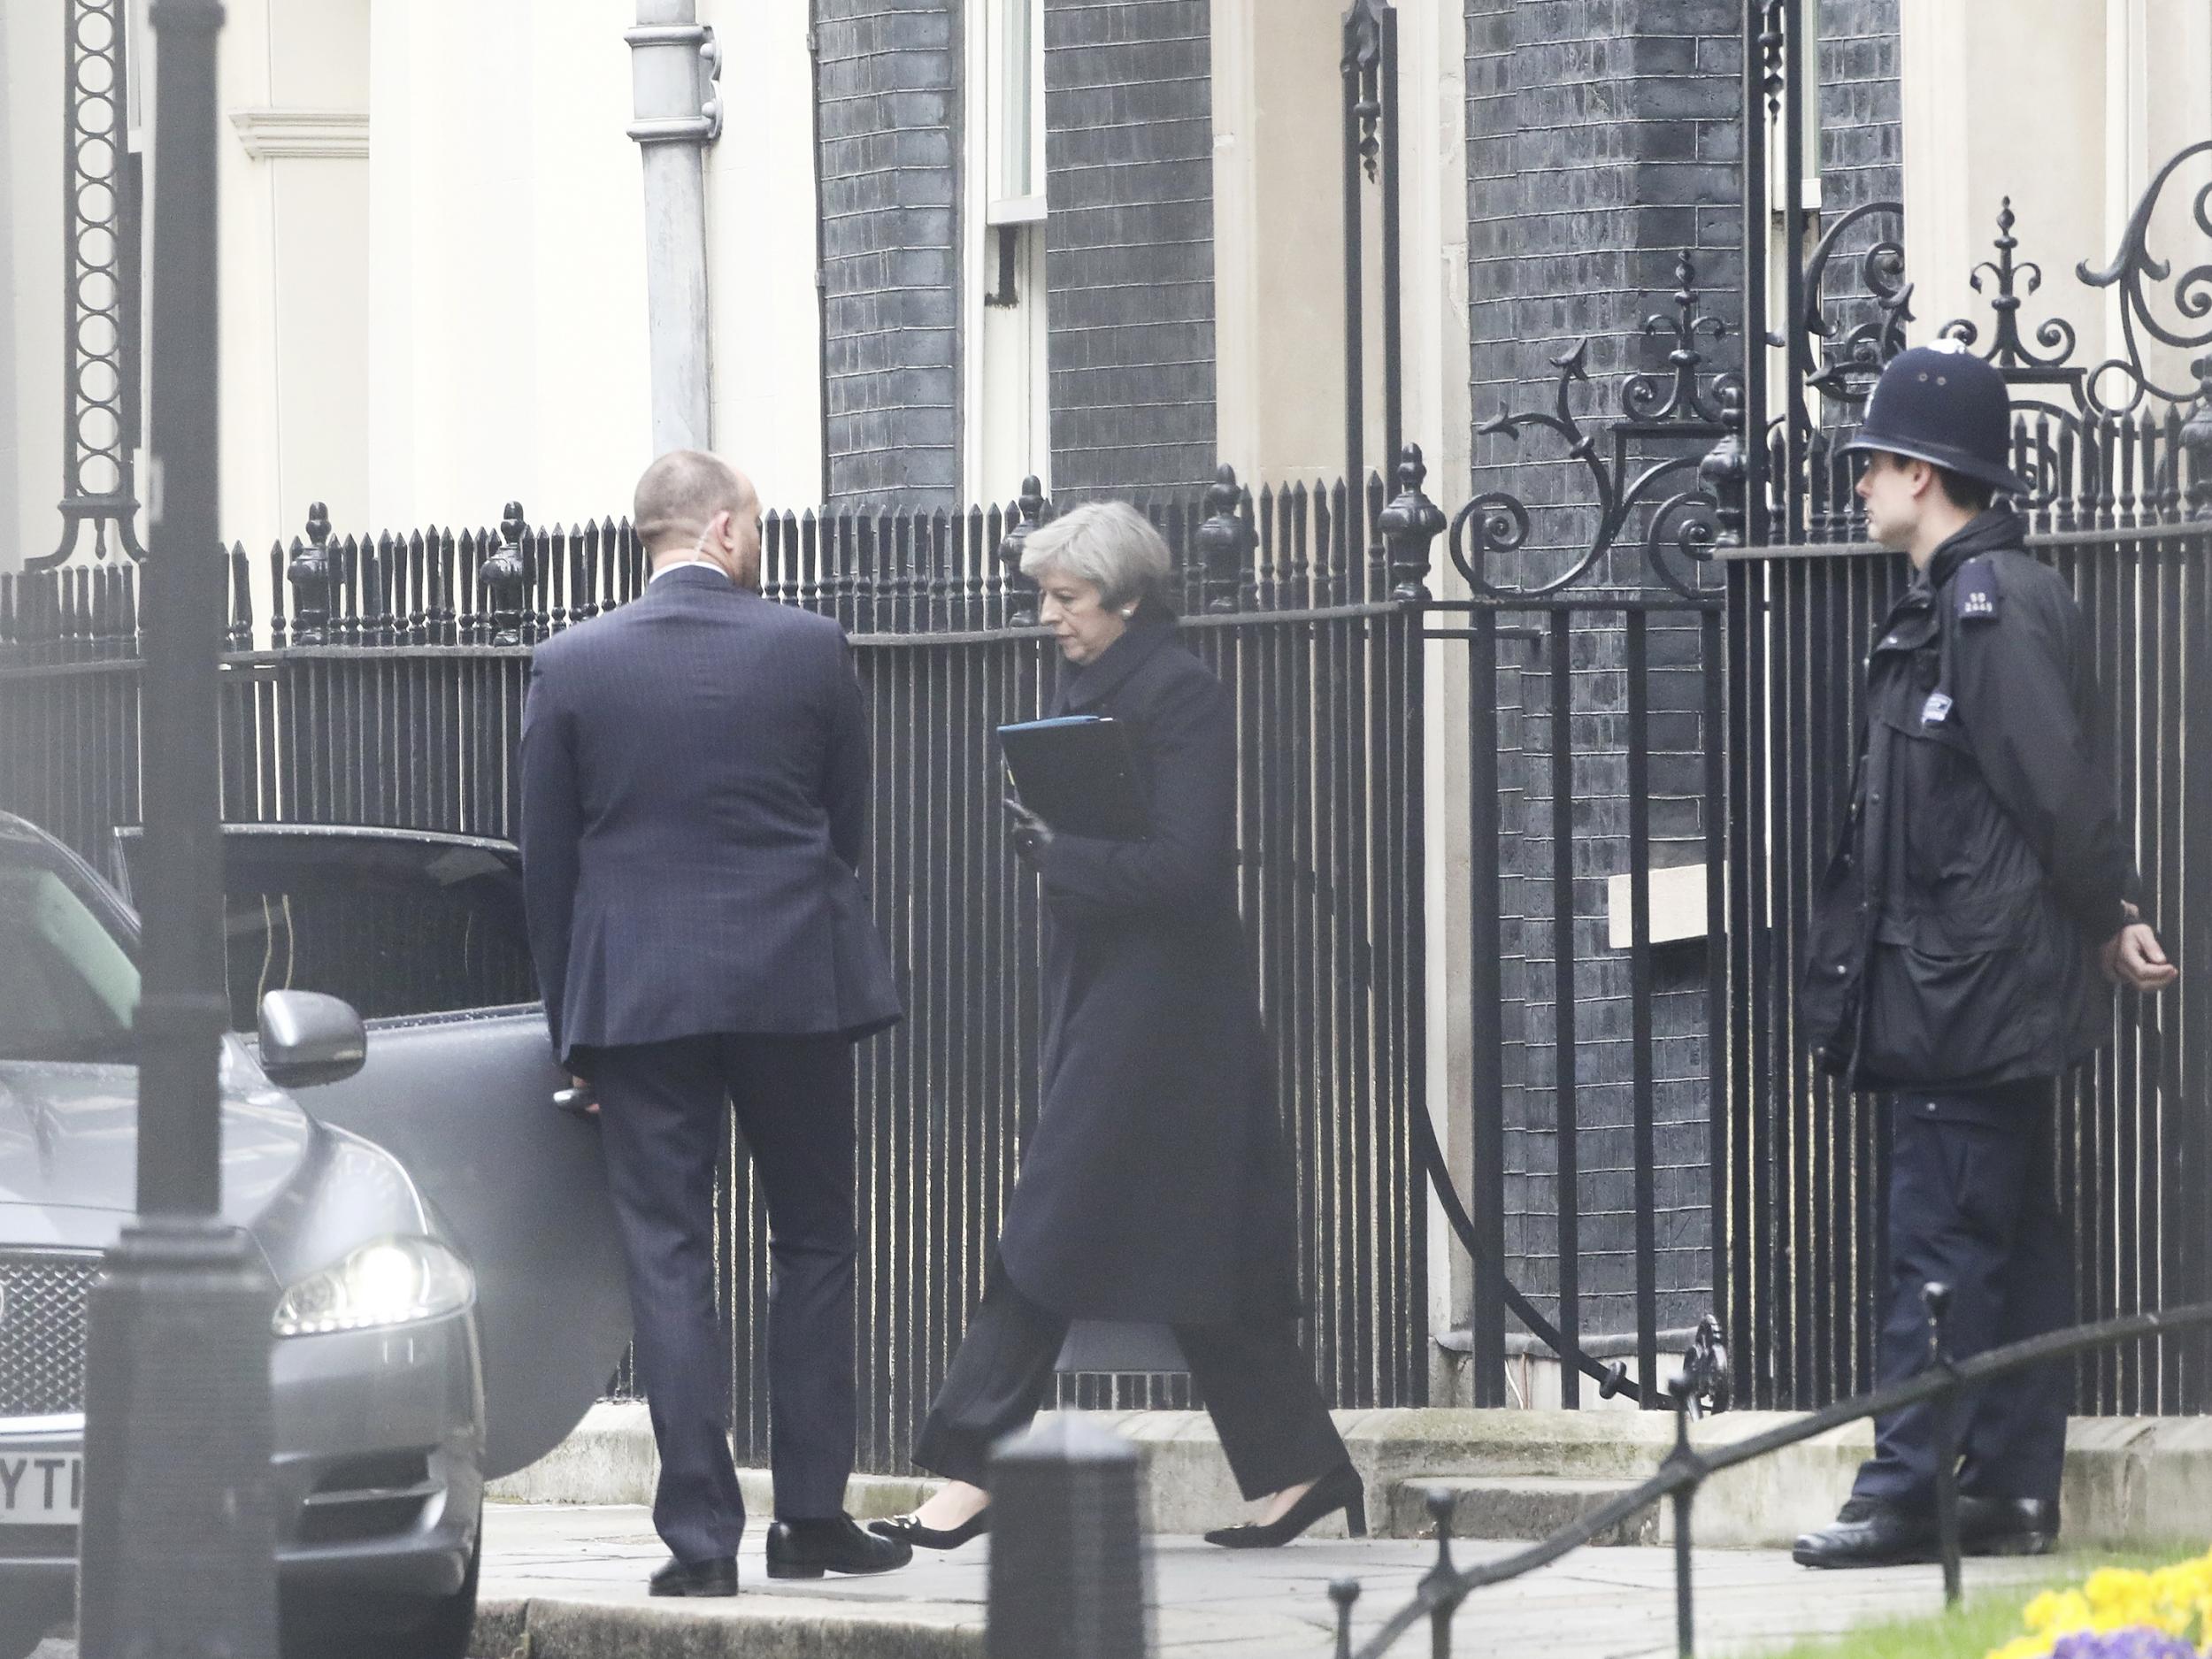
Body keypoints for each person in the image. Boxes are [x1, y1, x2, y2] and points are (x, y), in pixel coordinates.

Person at [870, 502, 1362, 1555]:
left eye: (1067, 598)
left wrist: (1058, 856)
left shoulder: (1178, 691)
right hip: (1113, 988)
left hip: (1169, 1007)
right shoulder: (1089, 686)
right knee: (1205, 1243)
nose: (1048, 616)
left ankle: (970, 1468)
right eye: (1043, 596)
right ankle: (1304, 1469)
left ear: (1127, 598)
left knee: (1046, 1224)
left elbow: (1188, 866)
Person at [1791, 344, 2178, 1570]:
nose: (1858, 486)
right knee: (2009, 1235)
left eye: (1872, 463)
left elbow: (2053, 782)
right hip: (1970, 978)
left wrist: (2111, 903)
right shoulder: (1958, 598)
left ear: (1924, 469)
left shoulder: (1988, 604)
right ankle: (2010, 1487)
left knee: (1943, 1239)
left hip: (1972, 985)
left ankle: (1908, 1485)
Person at [518, 449, 912, 1595]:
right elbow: (845, 825)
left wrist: (572, 1030)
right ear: (729, 526)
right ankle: (812, 1517)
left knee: (668, 1253)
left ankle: (702, 1541)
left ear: (648, 533)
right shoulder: (810, 646)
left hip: (640, 1001)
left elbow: (549, 871)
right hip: (793, 983)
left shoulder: (569, 662)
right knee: (817, 1242)